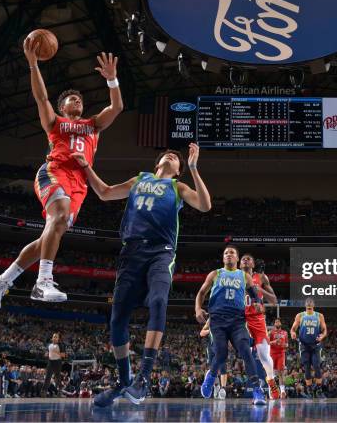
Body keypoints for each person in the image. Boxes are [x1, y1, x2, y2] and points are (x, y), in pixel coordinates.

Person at [0, 41, 123, 310]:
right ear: (63, 107)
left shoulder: (93, 125)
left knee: (49, 235)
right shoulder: (56, 122)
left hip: (80, 184)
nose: (78, 100)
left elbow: (116, 108)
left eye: (80, 99)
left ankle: (1, 281)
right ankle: (42, 281)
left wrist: (112, 80)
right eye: (72, 99)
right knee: (58, 218)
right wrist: (33, 64)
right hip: (54, 172)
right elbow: (41, 98)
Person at [86, 144, 211, 407]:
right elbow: (105, 193)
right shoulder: (139, 179)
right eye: (168, 155)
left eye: (176, 157)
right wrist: (85, 166)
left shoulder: (178, 188)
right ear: (157, 164)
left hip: (160, 253)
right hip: (131, 253)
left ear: (178, 171)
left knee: (158, 301)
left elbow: (205, 205)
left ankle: (142, 378)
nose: (172, 156)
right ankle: (123, 381)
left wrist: (194, 168)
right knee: (117, 317)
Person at [194, 245, 267, 406]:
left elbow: (255, 296)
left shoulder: (244, 276)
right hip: (218, 320)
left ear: (237, 259)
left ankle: (257, 391)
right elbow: (201, 293)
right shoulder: (215, 274)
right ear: (223, 258)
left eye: (232, 253)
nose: (228, 255)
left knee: (246, 352)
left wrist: (257, 304)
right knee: (221, 354)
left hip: (237, 321)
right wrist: (198, 308)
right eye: (226, 253)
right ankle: (211, 377)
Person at [240, 254, 280, 400]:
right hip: (240, 319)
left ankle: (270, 380)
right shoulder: (234, 277)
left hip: (257, 320)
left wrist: (258, 290)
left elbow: (274, 300)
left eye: (248, 258)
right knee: (246, 355)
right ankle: (256, 388)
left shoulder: (261, 277)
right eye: (243, 258)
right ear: (239, 264)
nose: (245, 260)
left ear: (252, 264)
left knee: (264, 356)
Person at [290, 298, 327, 398]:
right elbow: (293, 329)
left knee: (316, 366)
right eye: (308, 304)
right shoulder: (300, 315)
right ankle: (309, 389)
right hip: (304, 345)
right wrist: (293, 333)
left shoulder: (319, 316)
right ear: (305, 305)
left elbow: (324, 330)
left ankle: (319, 389)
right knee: (306, 368)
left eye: (311, 303)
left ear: (313, 305)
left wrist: (322, 336)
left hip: (316, 345)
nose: (309, 305)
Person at [200, 319, 228, 399]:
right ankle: (216, 385)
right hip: (211, 346)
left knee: (223, 367)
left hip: (222, 345)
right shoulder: (211, 319)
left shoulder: (228, 317)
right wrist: (210, 330)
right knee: (212, 368)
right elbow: (201, 333)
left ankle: (223, 389)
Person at [269, 318, 289, 399]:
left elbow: (287, 344)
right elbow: (267, 342)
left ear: (280, 323)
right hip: (272, 354)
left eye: (278, 321)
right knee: (271, 374)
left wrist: (284, 345)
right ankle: (272, 391)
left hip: (281, 354)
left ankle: (283, 391)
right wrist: (274, 342)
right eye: (276, 321)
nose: (277, 322)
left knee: (281, 373)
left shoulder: (285, 333)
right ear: (274, 324)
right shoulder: (271, 332)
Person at [43, 333, 65, 397]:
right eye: (54, 337)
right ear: (52, 338)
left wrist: (56, 352)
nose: (55, 338)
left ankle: (60, 388)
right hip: (50, 361)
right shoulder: (49, 345)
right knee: (48, 376)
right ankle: (44, 391)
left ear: (58, 339)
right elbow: (47, 352)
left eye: (56, 337)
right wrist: (46, 354)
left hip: (57, 362)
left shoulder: (61, 345)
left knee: (57, 377)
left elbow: (63, 355)